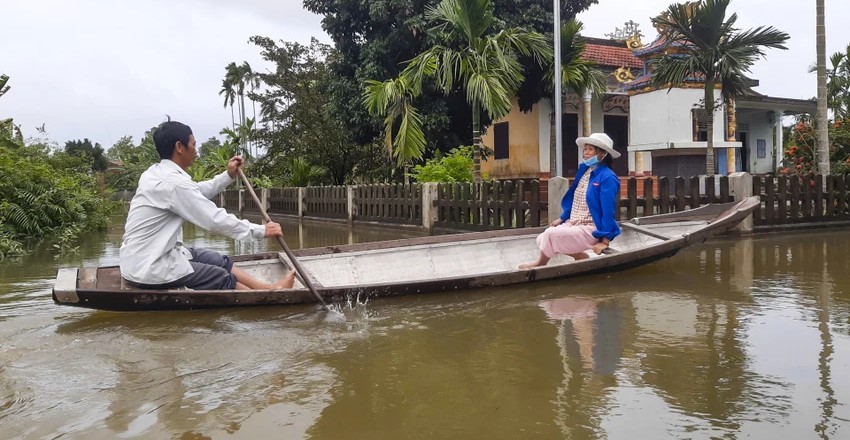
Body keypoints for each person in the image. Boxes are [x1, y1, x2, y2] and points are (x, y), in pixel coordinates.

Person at [119, 119, 295, 290]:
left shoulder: (155, 173)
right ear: (179, 147)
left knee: (217, 260)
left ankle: (268, 288)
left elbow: (196, 192)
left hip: (141, 259)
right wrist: (261, 231)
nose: (196, 151)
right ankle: (267, 298)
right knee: (219, 276)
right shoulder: (173, 183)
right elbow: (213, 219)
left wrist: (228, 176)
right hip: (150, 268)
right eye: (193, 145)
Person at [519, 133, 621, 269]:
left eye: (591, 149)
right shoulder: (585, 171)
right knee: (543, 237)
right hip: (575, 222)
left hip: (592, 228)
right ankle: (579, 256)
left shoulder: (607, 177)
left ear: (603, 154)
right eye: (585, 149)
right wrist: (562, 218)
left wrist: (605, 241)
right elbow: (576, 200)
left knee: (550, 236)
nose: (586, 153)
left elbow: (608, 211)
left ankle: (541, 263)